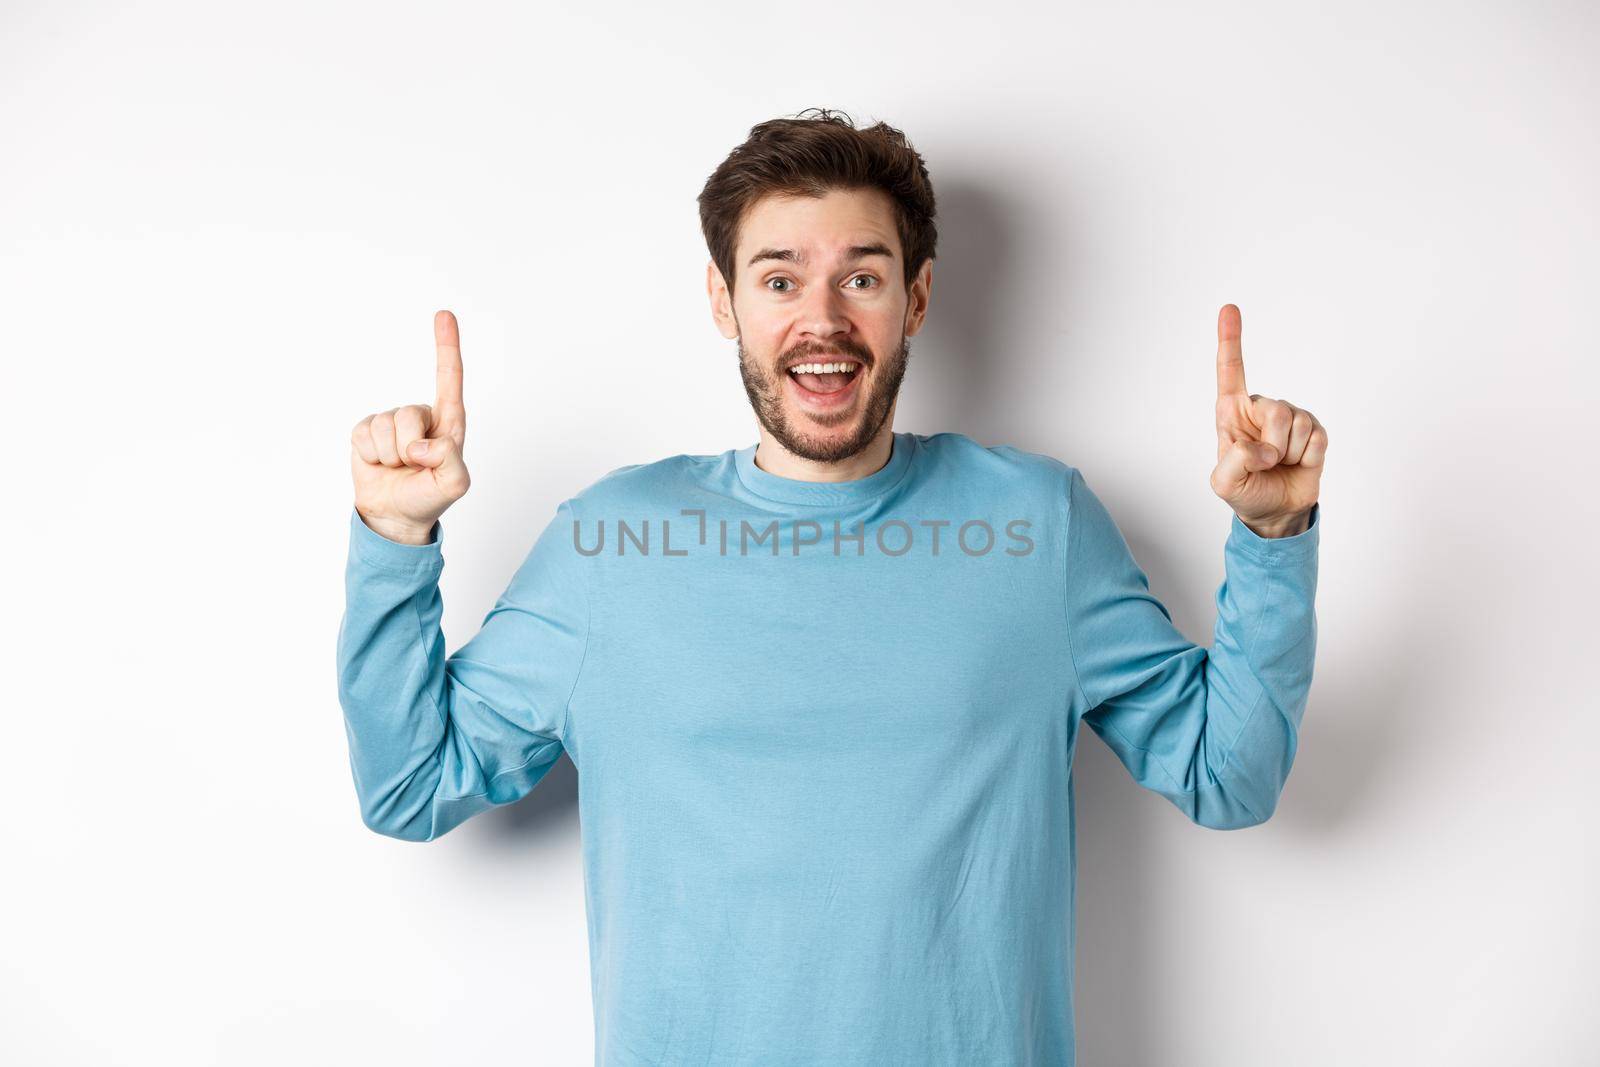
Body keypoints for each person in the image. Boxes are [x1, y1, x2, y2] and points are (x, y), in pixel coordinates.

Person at [336, 107, 1327, 1066]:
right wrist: (394, 533)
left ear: (919, 297)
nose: (822, 319)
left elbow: (1226, 774)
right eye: (779, 278)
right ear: (724, 300)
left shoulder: (1038, 526)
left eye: (862, 274)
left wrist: (1272, 532)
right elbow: (411, 783)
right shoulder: (612, 541)